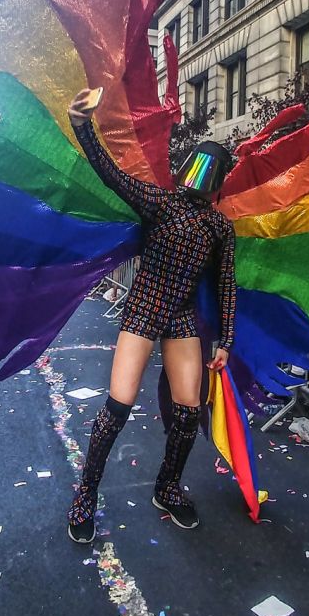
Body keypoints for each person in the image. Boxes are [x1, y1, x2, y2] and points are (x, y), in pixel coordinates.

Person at [66, 88, 236, 543]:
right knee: (117, 407)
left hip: (179, 318)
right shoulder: (159, 203)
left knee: (187, 411)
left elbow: (225, 284)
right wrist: (82, 125)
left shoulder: (220, 227)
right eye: (198, 164)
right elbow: (110, 174)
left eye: (209, 168)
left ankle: (167, 486)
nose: (200, 175)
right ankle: (85, 494)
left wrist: (227, 340)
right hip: (143, 310)